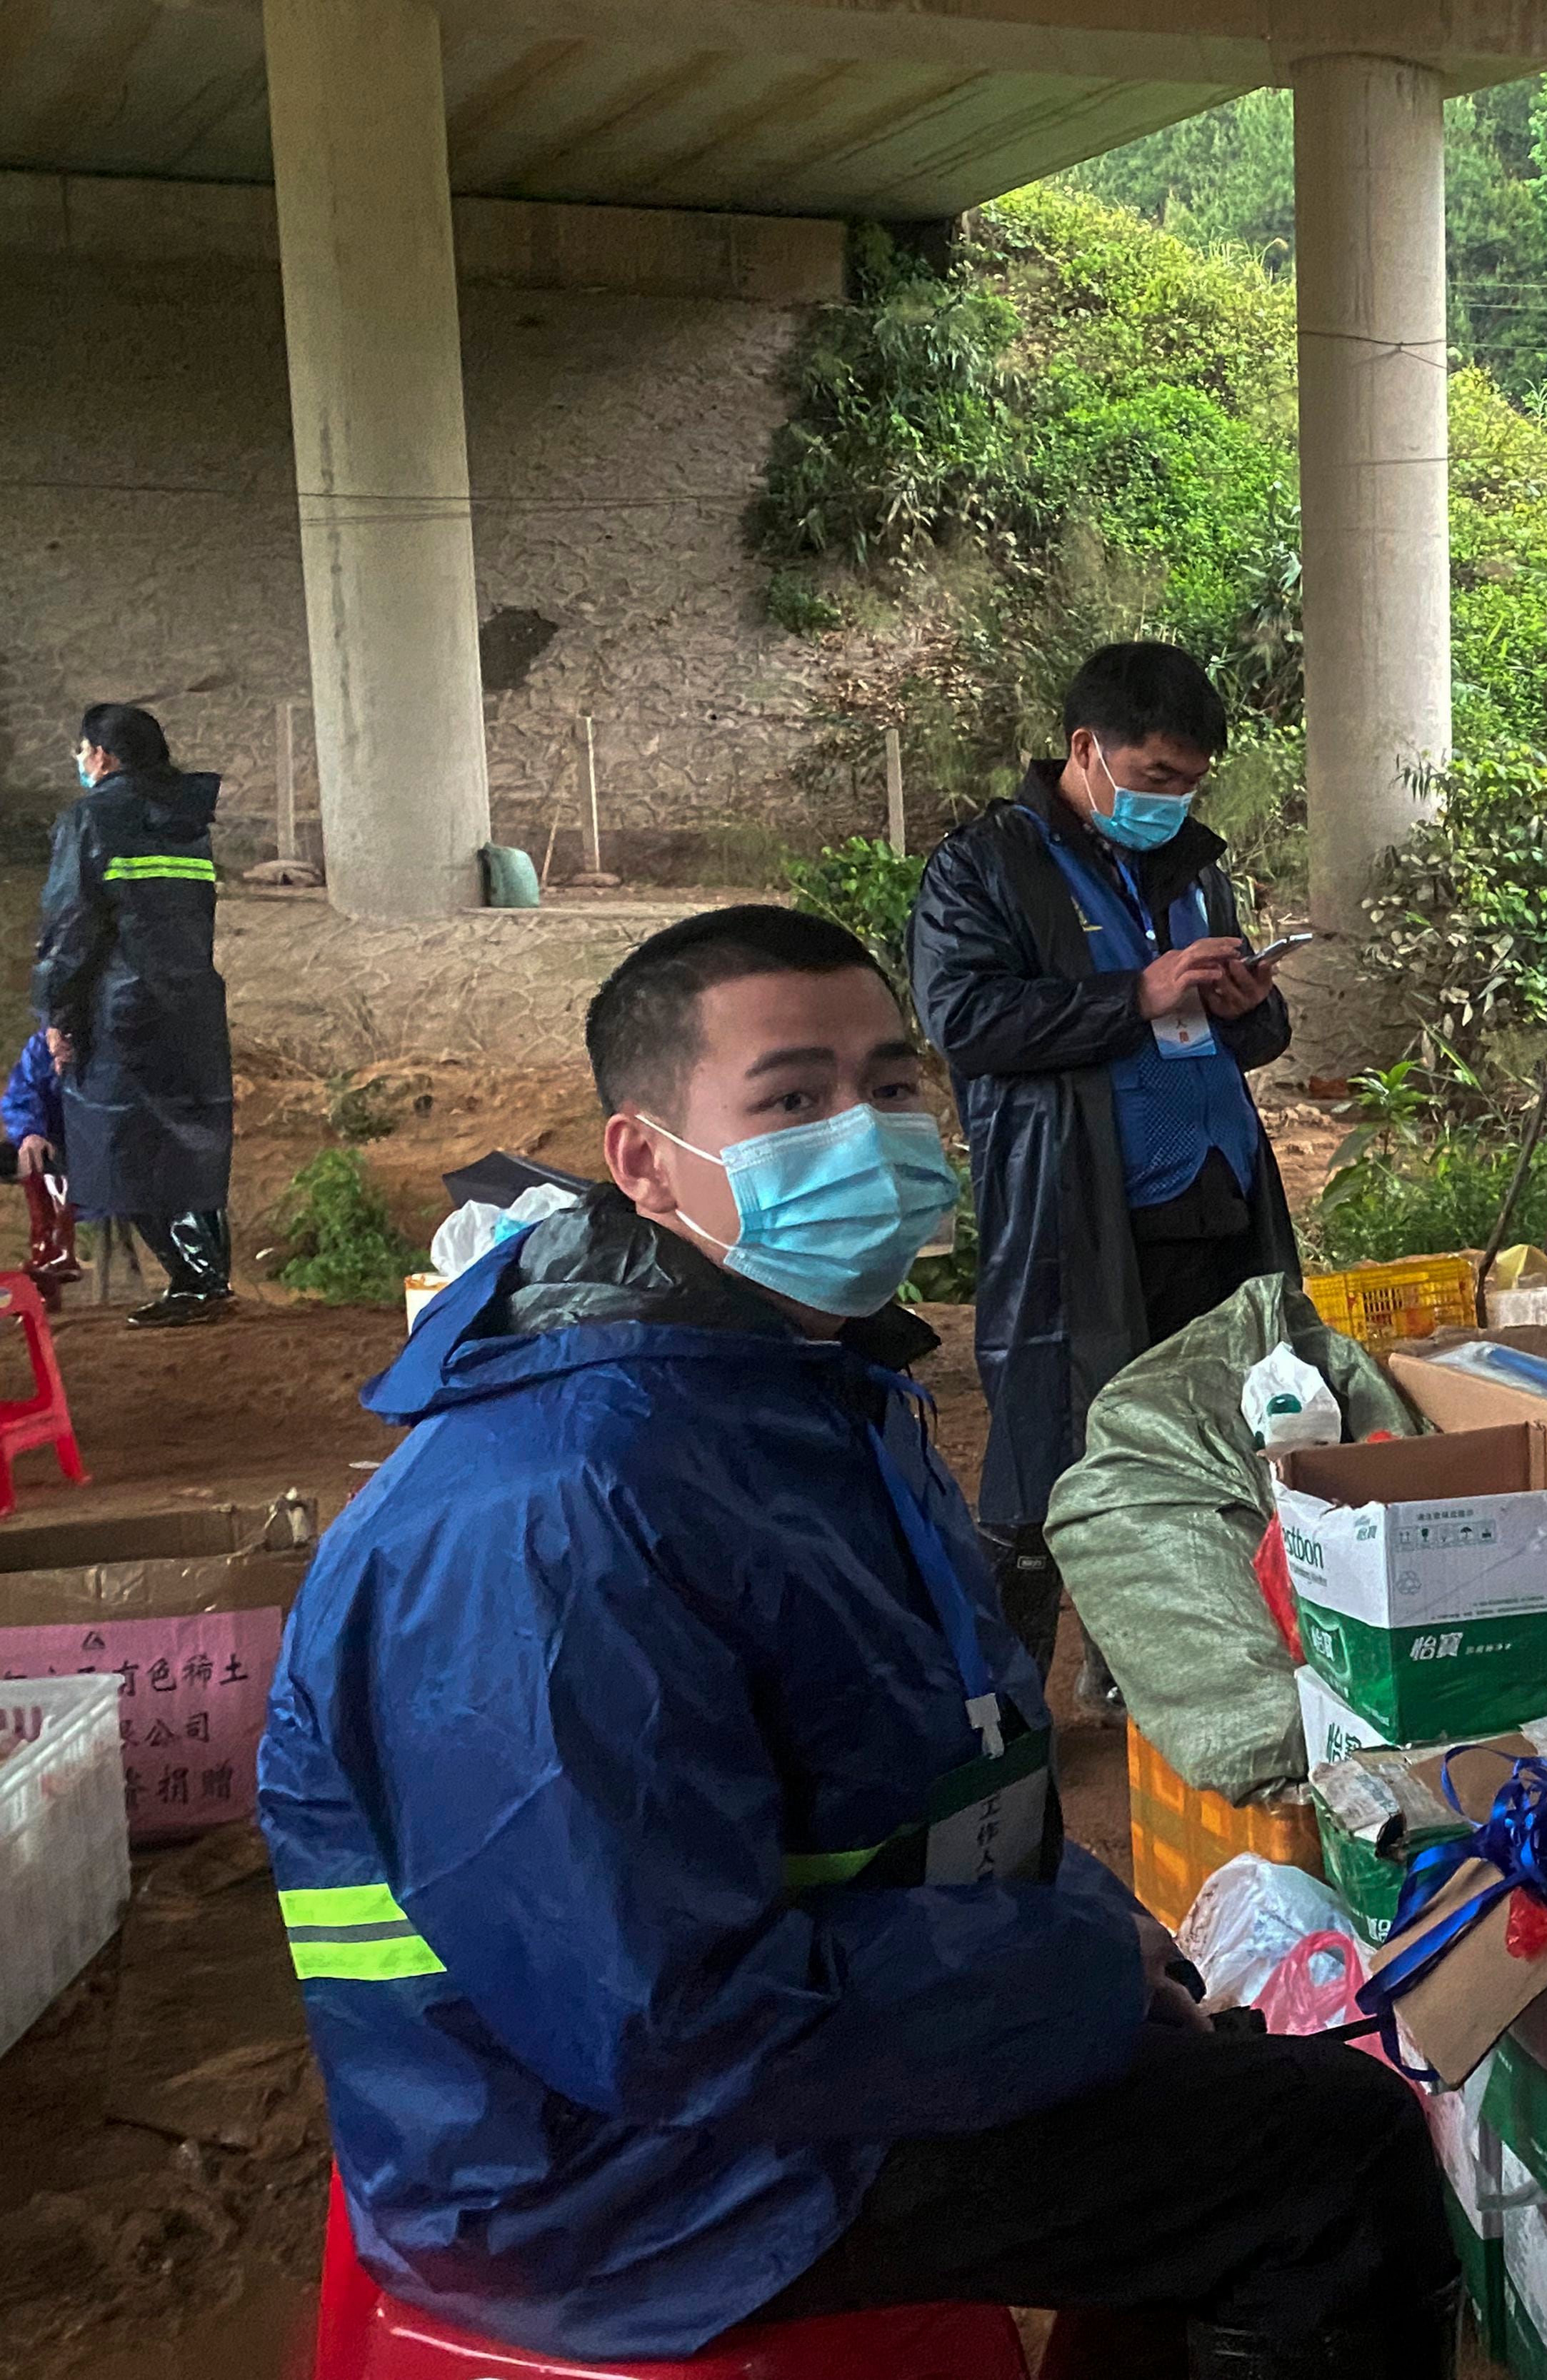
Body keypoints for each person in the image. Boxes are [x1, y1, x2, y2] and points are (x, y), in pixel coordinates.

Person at [260, 905, 1452, 2379]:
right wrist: (1066, 1970)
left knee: (1221, 2086)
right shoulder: (555, 1507)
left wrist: (1085, 1924)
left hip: (743, 2072)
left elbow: (912, 1776)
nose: (870, 1130)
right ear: (643, 1159)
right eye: (792, 1099)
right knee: (1328, 2164)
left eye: (892, 1083)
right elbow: (662, 2017)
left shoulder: (789, 1386)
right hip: (616, 2168)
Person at [911, 643, 1296, 1684]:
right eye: (1157, 778)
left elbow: (1248, 1040)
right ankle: (1004, 1707)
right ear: (1087, 750)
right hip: (1078, 1210)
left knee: (1209, 1444)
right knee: (1044, 1458)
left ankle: (1137, 1674)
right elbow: (969, 1021)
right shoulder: (985, 866)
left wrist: (1247, 1006)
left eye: (1191, 784)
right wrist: (1137, 993)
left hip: (1219, 1197)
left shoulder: (1195, 870)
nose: (1173, 801)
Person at [39, 703, 234, 1326]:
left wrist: (59, 1016)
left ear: (103, 755)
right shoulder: (187, 821)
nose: (80, 762)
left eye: (82, 750)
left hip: (124, 1006)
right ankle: (206, 1276)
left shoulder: (92, 817)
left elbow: (72, 928)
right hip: (193, 1002)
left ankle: (192, 1281)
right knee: (191, 1137)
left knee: (127, 1140)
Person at [4, 1030, 81, 1305]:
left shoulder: (108, 1039)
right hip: (54, 1143)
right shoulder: (39, 1048)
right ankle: (48, 1256)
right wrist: (29, 1133)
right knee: (33, 1156)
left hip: (102, 1144)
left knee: (59, 1162)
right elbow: (22, 1092)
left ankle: (58, 1255)